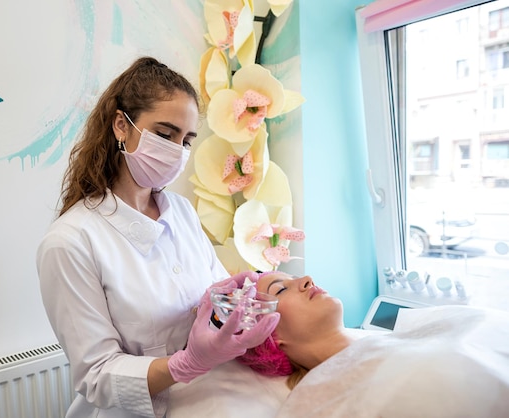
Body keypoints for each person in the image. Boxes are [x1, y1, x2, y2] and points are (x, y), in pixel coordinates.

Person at [36, 56, 279, 418]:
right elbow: (97, 375)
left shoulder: (180, 211)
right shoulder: (70, 242)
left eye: (186, 141)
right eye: (165, 135)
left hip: (202, 402)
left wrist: (226, 298)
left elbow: (207, 305)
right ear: (122, 125)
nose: (177, 151)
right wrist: (184, 364)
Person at [237, 271, 509, 417]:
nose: (307, 279)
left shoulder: (404, 339)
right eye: (281, 289)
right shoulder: (318, 401)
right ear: (269, 335)